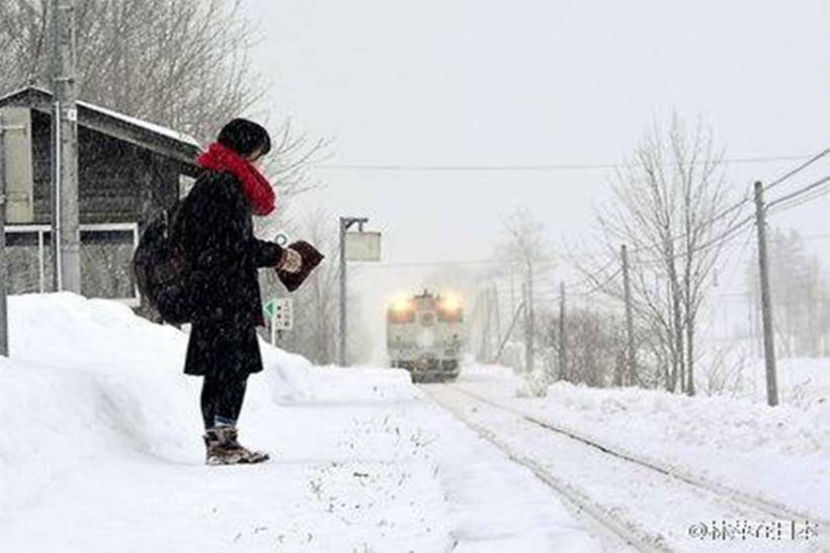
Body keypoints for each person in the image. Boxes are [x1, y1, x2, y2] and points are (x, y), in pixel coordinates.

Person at [179, 119, 302, 465]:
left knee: (217, 370)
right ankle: (225, 443)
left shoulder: (208, 183)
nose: (259, 165)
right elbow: (234, 246)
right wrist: (279, 256)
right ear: (245, 151)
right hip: (226, 296)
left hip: (209, 294)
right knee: (232, 369)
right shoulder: (225, 186)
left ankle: (217, 443)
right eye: (258, 156)